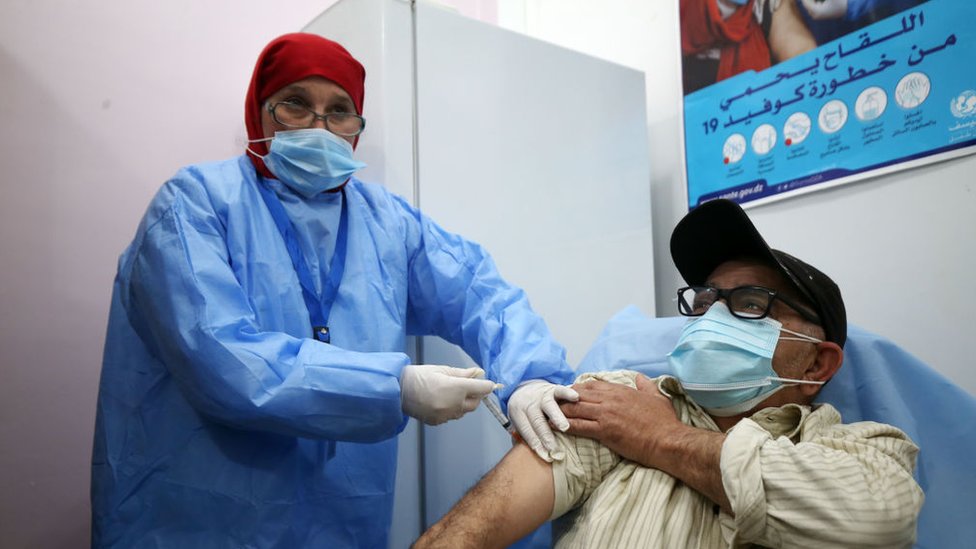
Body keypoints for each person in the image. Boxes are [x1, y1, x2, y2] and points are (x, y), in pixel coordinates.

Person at [90, 33, 578, 547]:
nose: (320, 127)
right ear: (261, 112)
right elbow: (222, 359)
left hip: (342, 521)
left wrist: (531, 376)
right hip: (194, 517)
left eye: (340, 110)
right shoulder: (195, 203)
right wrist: (396, 387)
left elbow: (481, 293)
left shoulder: (385, 221)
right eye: (296, 104)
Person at [413, 199, 924, 548]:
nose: (714, 318)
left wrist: (660, 437)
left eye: (749, 304)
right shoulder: (621, 398)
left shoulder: (866, 447)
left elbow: (870, 519)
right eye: (706, 301)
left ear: (817, 362)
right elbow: (478, 526)